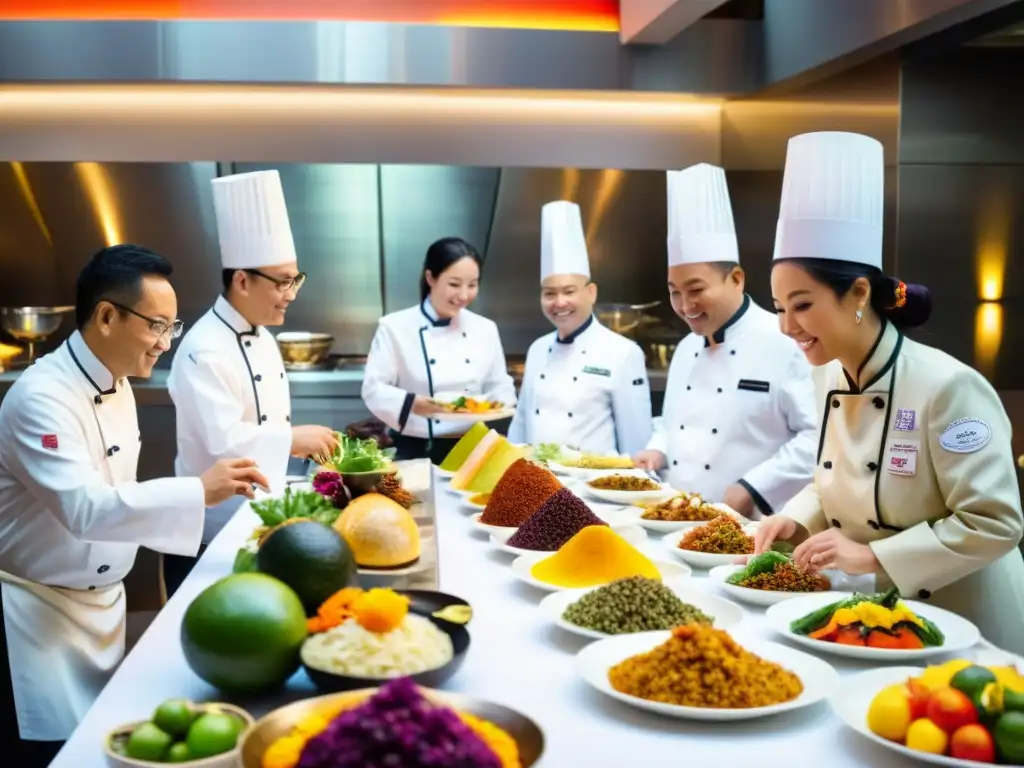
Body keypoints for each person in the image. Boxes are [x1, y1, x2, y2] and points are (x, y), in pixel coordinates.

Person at [754, 130, 1024, 654]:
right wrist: (796, 517)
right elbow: (836, 480)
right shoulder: (829, 375)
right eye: (779, 306)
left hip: (971, 625)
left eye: (803, 305)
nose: (787, 325)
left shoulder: (947, 387)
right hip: (887, 618)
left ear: (858, 293)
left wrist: (875, 557)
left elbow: (996, 522)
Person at [0, 244, 269, 766]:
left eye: (173, 327)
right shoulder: (41, 397)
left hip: (105, 607)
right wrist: (197, 490)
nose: (166, 343)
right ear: (106, 316)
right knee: (50, 756)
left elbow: (119, 496)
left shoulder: (118, 384)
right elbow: (86, 509)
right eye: (157, 326)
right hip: (39, 619)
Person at [166, 170, 337, 595]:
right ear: (241, 279)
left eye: (295, 279)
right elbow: (224, 440)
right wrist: (295, 440)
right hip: (212, 533)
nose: (291, 293)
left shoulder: (264, 337)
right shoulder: (204, 348)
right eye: (282, 281)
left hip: (262, 522)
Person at [634, 163, 817, 518]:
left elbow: (818, 438)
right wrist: (657, 448)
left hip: (751, 529)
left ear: (736, 278)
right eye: (674, 292)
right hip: (675, 518)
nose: (685, 307)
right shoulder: (687, 348)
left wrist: (753, 487)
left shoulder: (786, 342)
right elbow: (673, 424)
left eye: (696, 290)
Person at [507, 201, 652, 455]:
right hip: (536, 485)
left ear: (591, 293)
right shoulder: (538, 349)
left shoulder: (623, 353)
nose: (559, 302)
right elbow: (520, 426)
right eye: (549, 293)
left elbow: (637, 442)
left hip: (592, 488)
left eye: (569, 291)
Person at [362, 237, 517, 463]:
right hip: (415, 447)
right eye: (454, 284)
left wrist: (499, 405)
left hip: (473, 447)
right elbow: (373, 388)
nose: (464, 295)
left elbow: (499, 384)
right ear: (430, 278)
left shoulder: (485, 328)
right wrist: (414, 403)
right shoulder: (395, 327)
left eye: (472, 284)